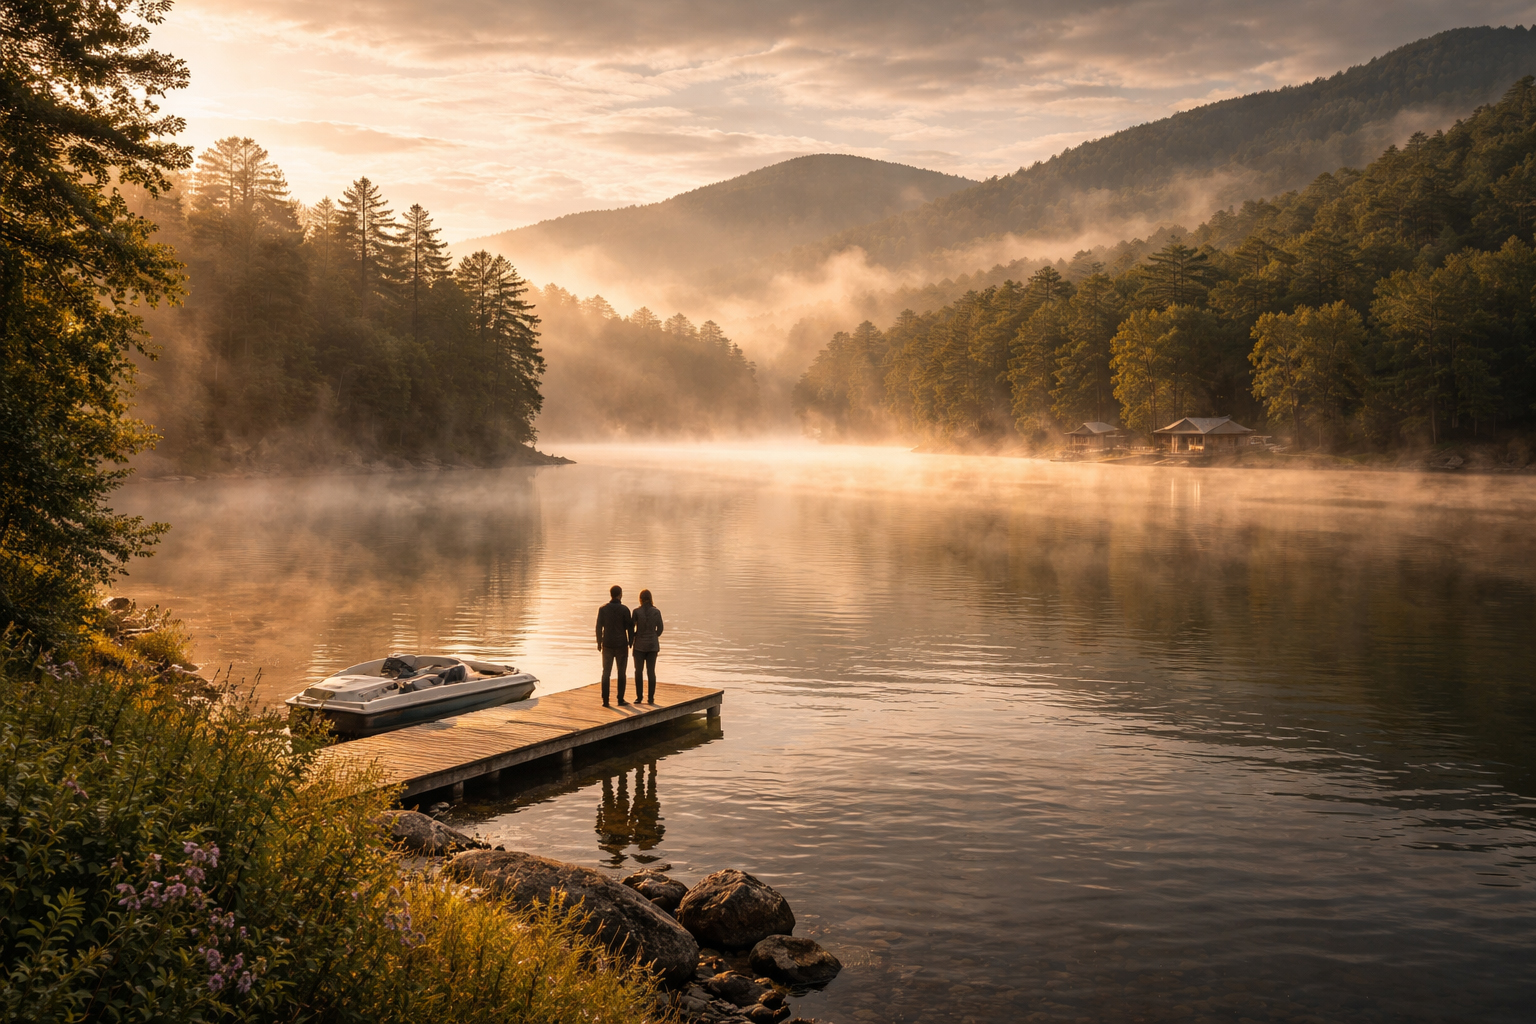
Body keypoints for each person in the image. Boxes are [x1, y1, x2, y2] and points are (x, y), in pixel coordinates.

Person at [596, 584, 634, 706]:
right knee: (621, 672)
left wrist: (599, 642)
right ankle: (620, 699)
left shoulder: (603, 609)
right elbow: (630, 627)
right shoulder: (624, 609)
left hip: (607, 644)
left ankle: (605, 700)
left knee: (606, 672)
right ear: (620, 595)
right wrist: (631, 641)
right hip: (621, 645)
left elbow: (598, 627)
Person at [631, 588, 663, 704]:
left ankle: (639, 697)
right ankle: (651, 698)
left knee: (638, 671)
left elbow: (631, 627)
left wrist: (634, 636)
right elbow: (660, 629)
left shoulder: (636, 612)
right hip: (652, 646)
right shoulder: (656, 612)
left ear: (640, 599)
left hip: (639, 645)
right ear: (650, 599)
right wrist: (654, 636)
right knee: (651, 672)